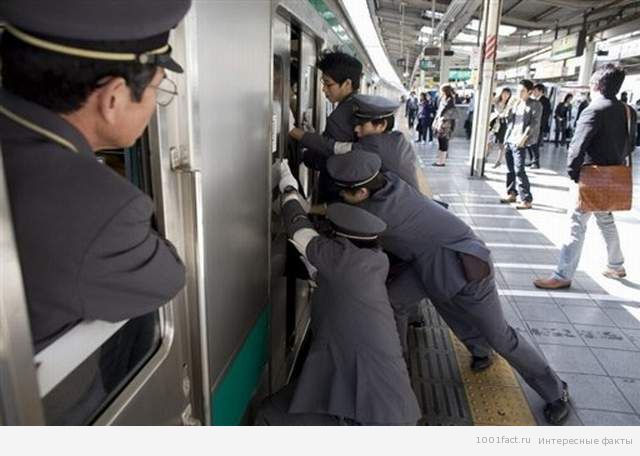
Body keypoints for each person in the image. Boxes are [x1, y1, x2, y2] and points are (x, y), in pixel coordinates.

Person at [326, 150, 571, 425]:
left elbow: (339, 220)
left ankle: (556, 391)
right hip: (427, 262)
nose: (340, 196)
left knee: (500, 335)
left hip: (465, 265)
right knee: (397, 301)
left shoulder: (379, 212)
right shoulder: (390, 182)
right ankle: (407, 364)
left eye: (344, 192)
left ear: (361, 192)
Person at [0, 0, 189, 352]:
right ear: (114, 98)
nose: (155, 103)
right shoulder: (102, 210)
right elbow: (168, 278)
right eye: (158, 88)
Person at [254, 161, 420, 426]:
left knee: (270, 414)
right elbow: (318, 270)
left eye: (329, 234)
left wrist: (287, 186)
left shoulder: (344, 262)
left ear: (340, 240)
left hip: (368, 414)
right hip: (387, 401)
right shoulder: (372, 261)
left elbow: (299, 228)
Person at [534, 64, 636, 290]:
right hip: (613, 177)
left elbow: (577, 147)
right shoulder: (629, 111)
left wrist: (573, 174)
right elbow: (630, 145)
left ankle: (562, 275)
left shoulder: (593, 110)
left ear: (597, 85)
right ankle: (616, 264)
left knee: (576, 223)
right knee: (605, 220)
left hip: (591, 177)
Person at [288, 51, 362, 202]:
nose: (324, 89)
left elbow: (326, 159)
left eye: (328, 84)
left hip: (337, 193)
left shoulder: (340, 116)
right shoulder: (357, 105)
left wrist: (302, 152)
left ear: (347, 84)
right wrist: (315, 138)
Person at [500, 80, 541, 210]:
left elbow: (534, 123)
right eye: (518, 91)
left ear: (529, 92)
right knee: (510, 169)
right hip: (511, 138)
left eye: (522, 91)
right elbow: (507, 120)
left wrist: (524, 138)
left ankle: (526, 199)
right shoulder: (516, 103)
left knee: (519, 169)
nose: (519, 93)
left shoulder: (535, 105)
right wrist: (509, 107)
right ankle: (511, 193)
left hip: (521, 141)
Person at [527, 83, 552, 169]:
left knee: (535, 144)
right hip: (532, 125)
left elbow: (546, 115)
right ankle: (531, 160)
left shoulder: (545, 101)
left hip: (539, 126)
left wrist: (539, 125)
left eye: (535, 90)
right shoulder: (534, 100)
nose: (533, 92)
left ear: (541, 91)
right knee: (530, 143)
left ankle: (536, 162)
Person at [432, 84, 457, 167]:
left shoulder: (450, 100)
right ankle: (439, 160)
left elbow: (450, 113)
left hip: (446, 124)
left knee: (443, 141)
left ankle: (442, 161)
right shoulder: (444, 99)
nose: (440, 92)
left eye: (441, 90)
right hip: (441, 123)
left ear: (444, 91)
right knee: (440, 141)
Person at [486, 88, 512, 168]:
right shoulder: (496, 102)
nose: (505, 95)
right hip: (494, 123)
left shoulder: (509, 104)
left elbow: (509, 116)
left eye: (507, 94)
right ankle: (485, 156)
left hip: (503, 124)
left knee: (501, 143)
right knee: (489, 141)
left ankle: (498, 161)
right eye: (504, 93)